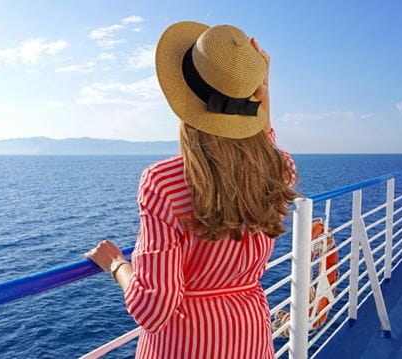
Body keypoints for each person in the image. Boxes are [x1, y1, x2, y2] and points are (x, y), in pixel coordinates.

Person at [84, 21, 298, 358]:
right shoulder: (280, 170)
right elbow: (265, 145)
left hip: (184, 344)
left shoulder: (163, 181)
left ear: (181, 96)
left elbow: (153, 309)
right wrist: (261, 92)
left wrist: (116, 265)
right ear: (253, 96)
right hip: (250, 338)